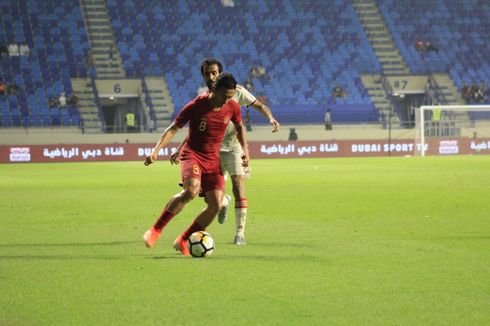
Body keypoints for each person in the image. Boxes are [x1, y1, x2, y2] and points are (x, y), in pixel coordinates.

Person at [171, 58, 280, 245]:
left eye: (215, 73)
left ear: (221, 74)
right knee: (211, 201)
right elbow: (197, 128)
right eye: (208, 74)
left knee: (238, 184)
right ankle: (224, 202)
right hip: (209, 151)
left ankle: (239, 234)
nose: (212, 77)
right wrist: (181, 148)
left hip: (233, 147)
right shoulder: (205, 98)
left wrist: (271, 118)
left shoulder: (237, 91)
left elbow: (260, 106)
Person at [143, 72, 249, 255]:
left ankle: (183, 239)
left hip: (213, 159)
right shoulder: (196, 105)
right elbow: (174, 128)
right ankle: (155, 230)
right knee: (190, 191)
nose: (227, 100)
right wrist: (156, 150)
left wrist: (245, 149)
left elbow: (239, 127)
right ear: (215, 89)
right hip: (193, 154)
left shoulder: (232, 107)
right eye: (225, 96)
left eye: (230, 97)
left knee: (215, 204)